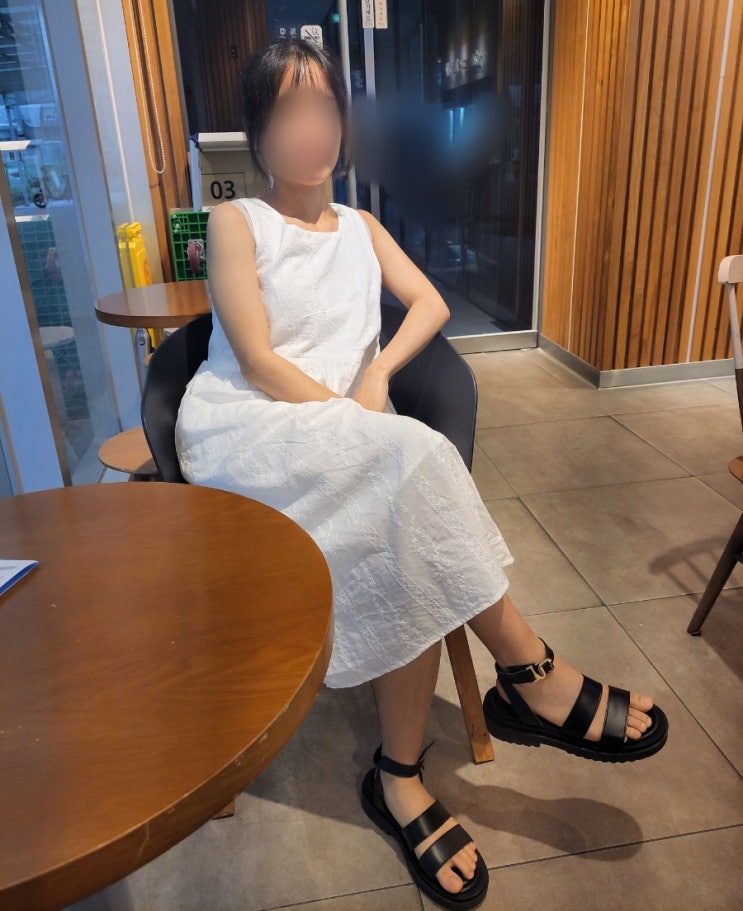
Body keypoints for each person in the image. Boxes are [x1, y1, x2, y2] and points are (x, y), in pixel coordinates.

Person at [175, 39, 668, 911]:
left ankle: (399, 774)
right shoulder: (236, 223)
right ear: (257, 133)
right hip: (251, 432)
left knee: (404, 508)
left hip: (347, 434)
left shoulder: (361, 228)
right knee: (408, 459)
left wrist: (376, 372)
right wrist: (354, 417)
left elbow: (431, 303)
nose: (310, 128)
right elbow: (255, 361)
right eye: (287, 111)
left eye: (323, 108)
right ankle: (529, 673)